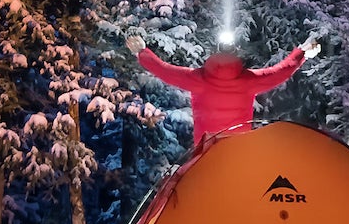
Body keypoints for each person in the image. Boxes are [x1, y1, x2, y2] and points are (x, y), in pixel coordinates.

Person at [125, 28, 322, 141]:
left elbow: (164, 70)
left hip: (205, 151)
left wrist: (142, 52)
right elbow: (279, 72)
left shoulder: (199, 79)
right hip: (238, 151)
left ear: (216, 51)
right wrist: (302, 53)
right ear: (236, 52)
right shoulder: (248, 81)